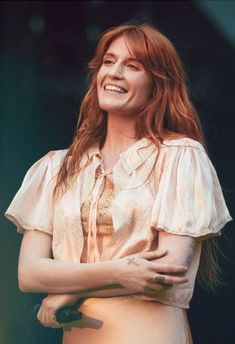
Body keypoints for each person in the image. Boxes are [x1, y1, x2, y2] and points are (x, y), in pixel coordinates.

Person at [5, 22, 232, 344]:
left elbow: (166, 271)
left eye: (133, 66)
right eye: (108, 62)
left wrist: (67, 292)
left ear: (158, 84)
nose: (114, 72)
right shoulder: (55, 166)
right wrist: (121, 272)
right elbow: (29, 274)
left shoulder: (180, 156)